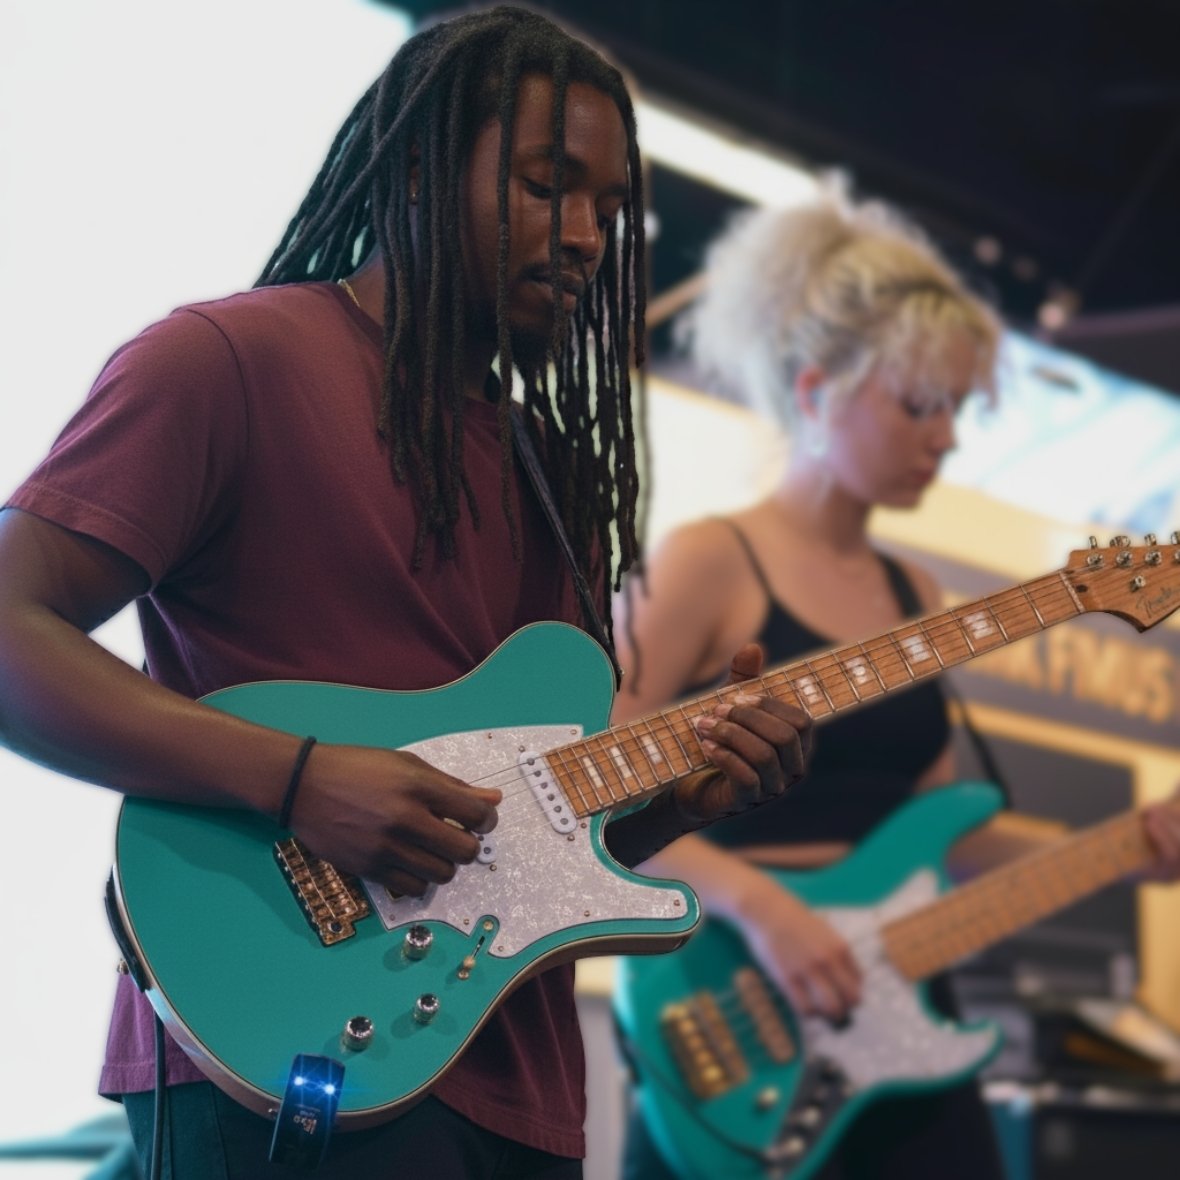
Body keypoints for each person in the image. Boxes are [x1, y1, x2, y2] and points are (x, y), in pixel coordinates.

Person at [0, 7, 814, 1178]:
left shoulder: (559, 471)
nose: (586, 234)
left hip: (517, 1086)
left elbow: (532, 828)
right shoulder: (225, 363)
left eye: (608, 209)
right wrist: (298, 780)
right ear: (424, 168)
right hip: (278, 1048)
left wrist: (683, 794)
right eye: (548, 185)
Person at [611, 180, 1180, 1179]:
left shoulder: (914, 589)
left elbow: (939, 827)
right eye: (919, 402)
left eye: (959, 407)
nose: (948, 435)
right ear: (814, 389)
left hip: (901, 1014)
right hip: (728, 1007)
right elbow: (581, 785)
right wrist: (760, 904)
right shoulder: (707, 559)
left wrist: (1128, 848)